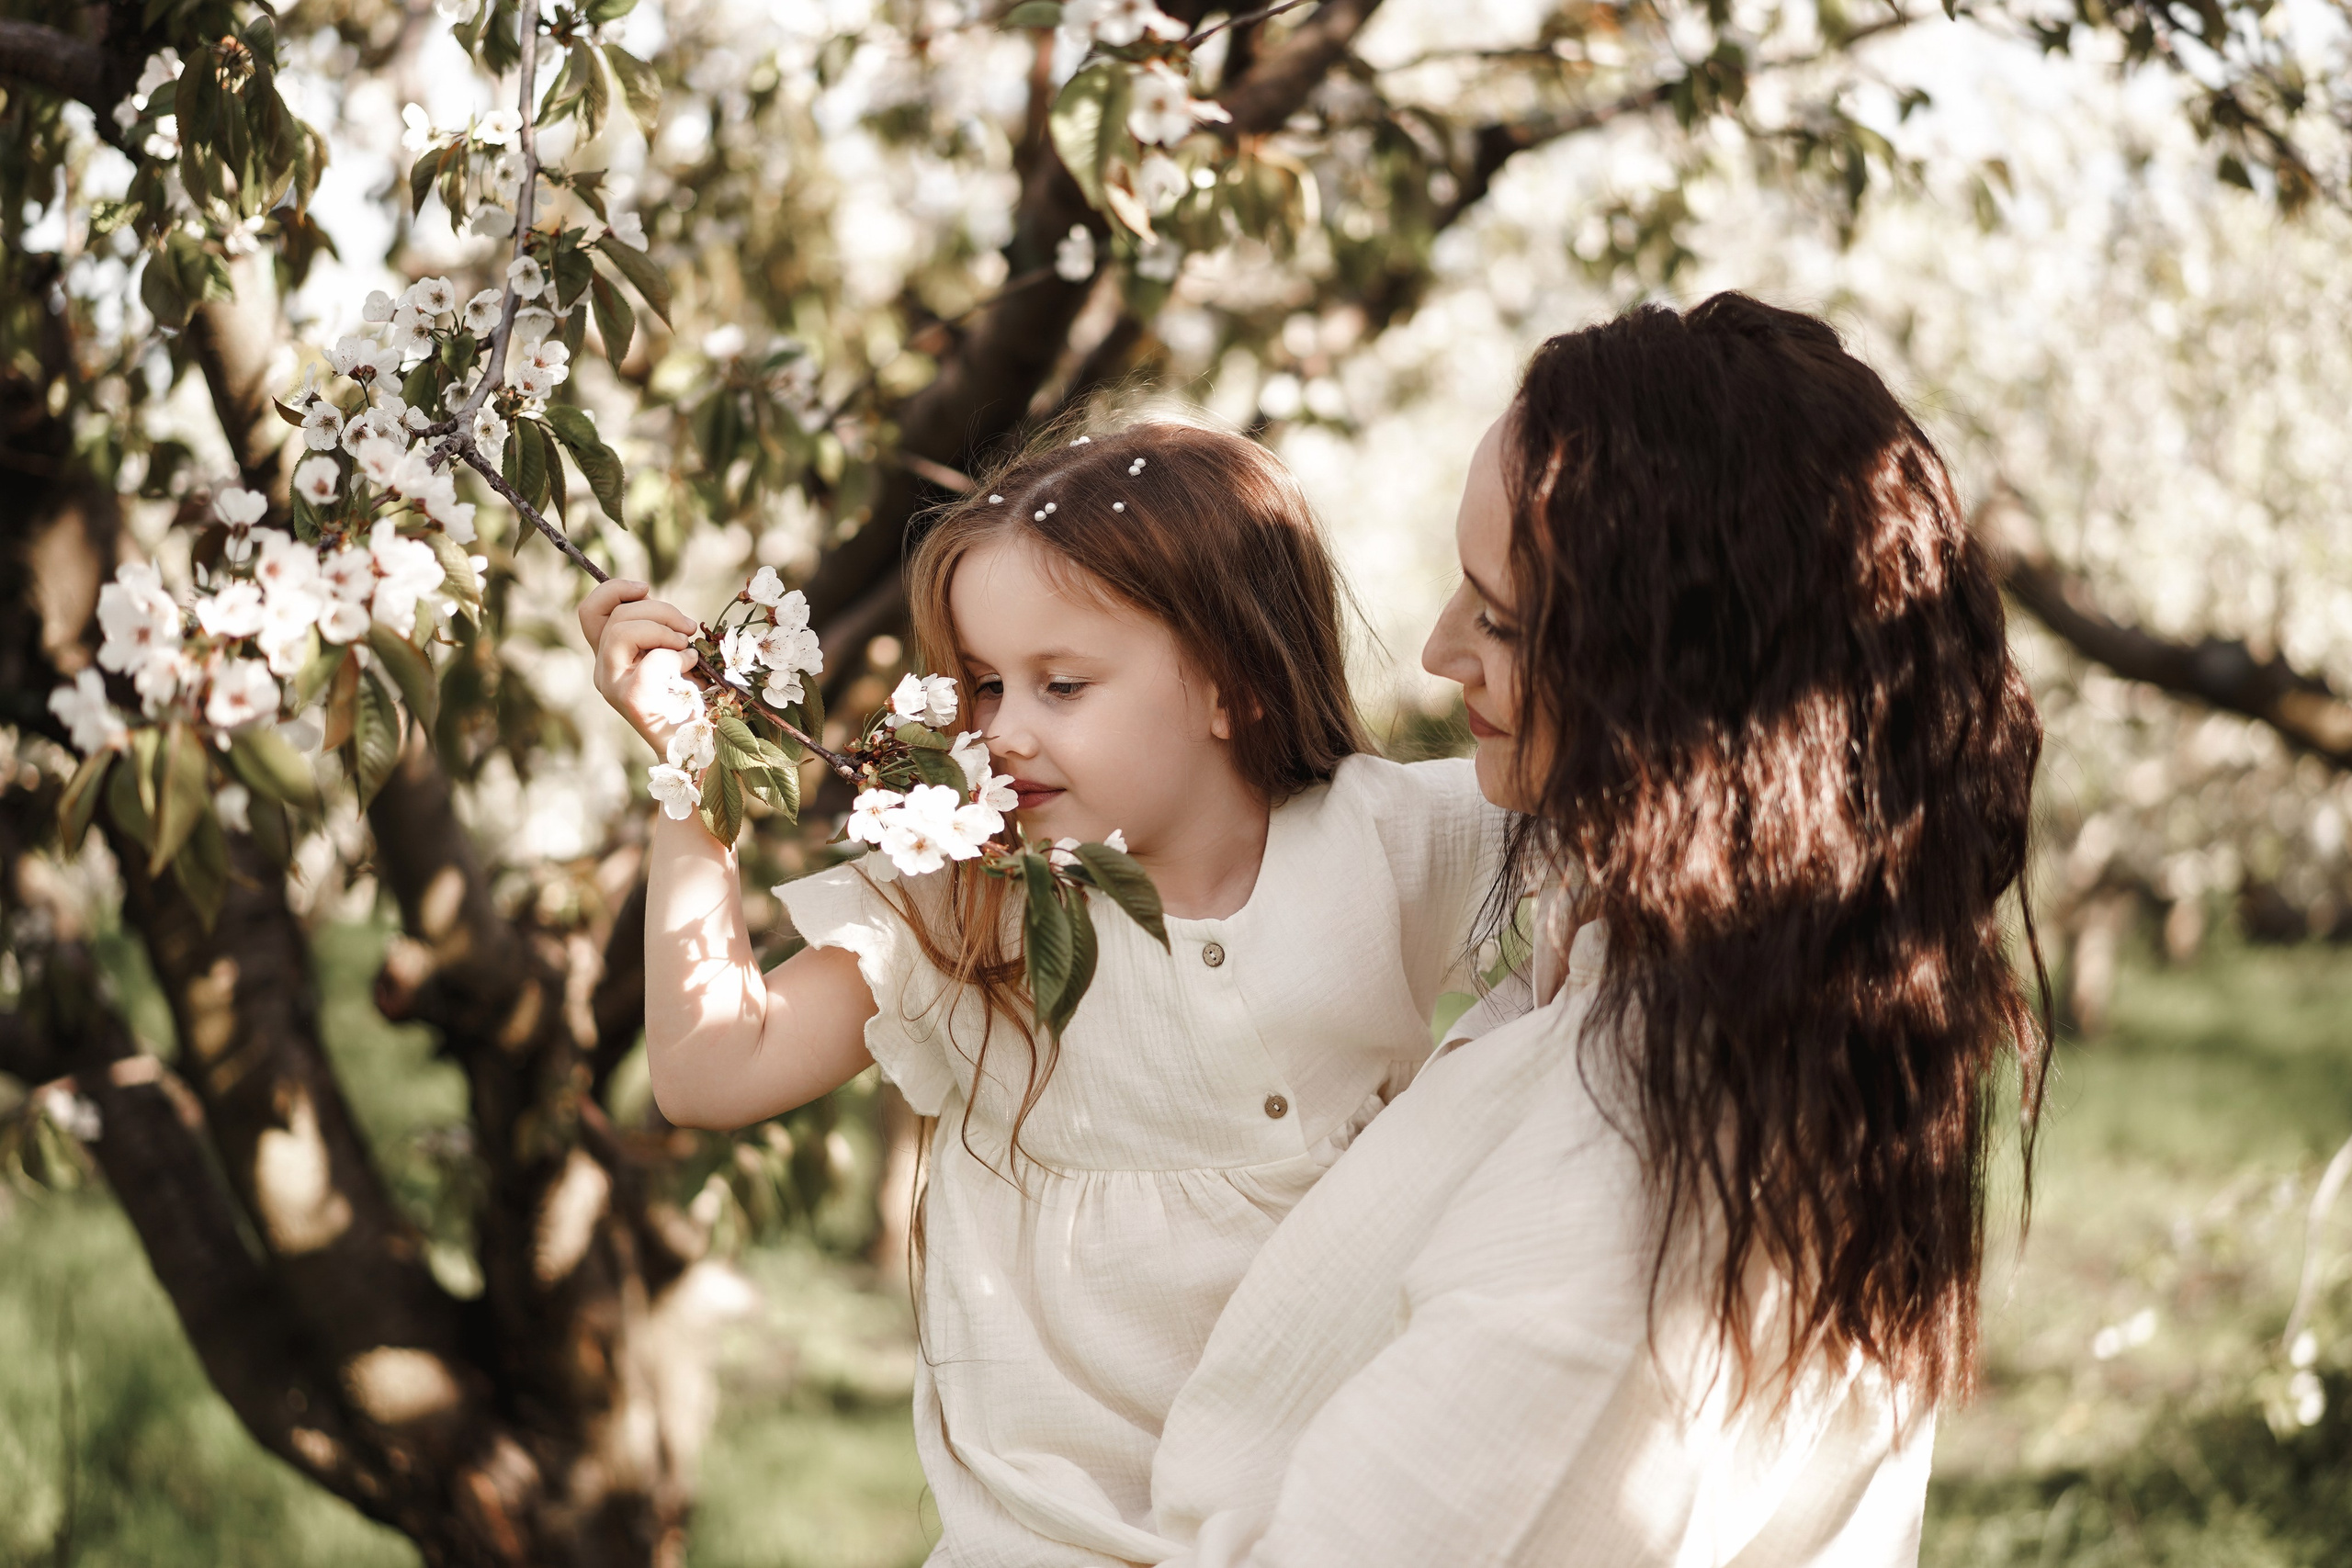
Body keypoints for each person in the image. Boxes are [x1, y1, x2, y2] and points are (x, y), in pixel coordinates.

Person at [1135, 294, 2052, 1566]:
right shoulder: (1749, 979)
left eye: (1500, 616)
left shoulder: (1620, 1200)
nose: (1440, 651)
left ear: (1675, 681)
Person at [577, 422, 1520, 1567]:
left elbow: (1639, 850)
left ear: (1232, 683)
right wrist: (695, 773)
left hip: (1331, 1515)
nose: (1001, 730)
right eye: (979, 684)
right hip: (1054, 1537)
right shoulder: (965, 905)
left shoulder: (1387, 843)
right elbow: (711, 1067)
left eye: (1060, 684)